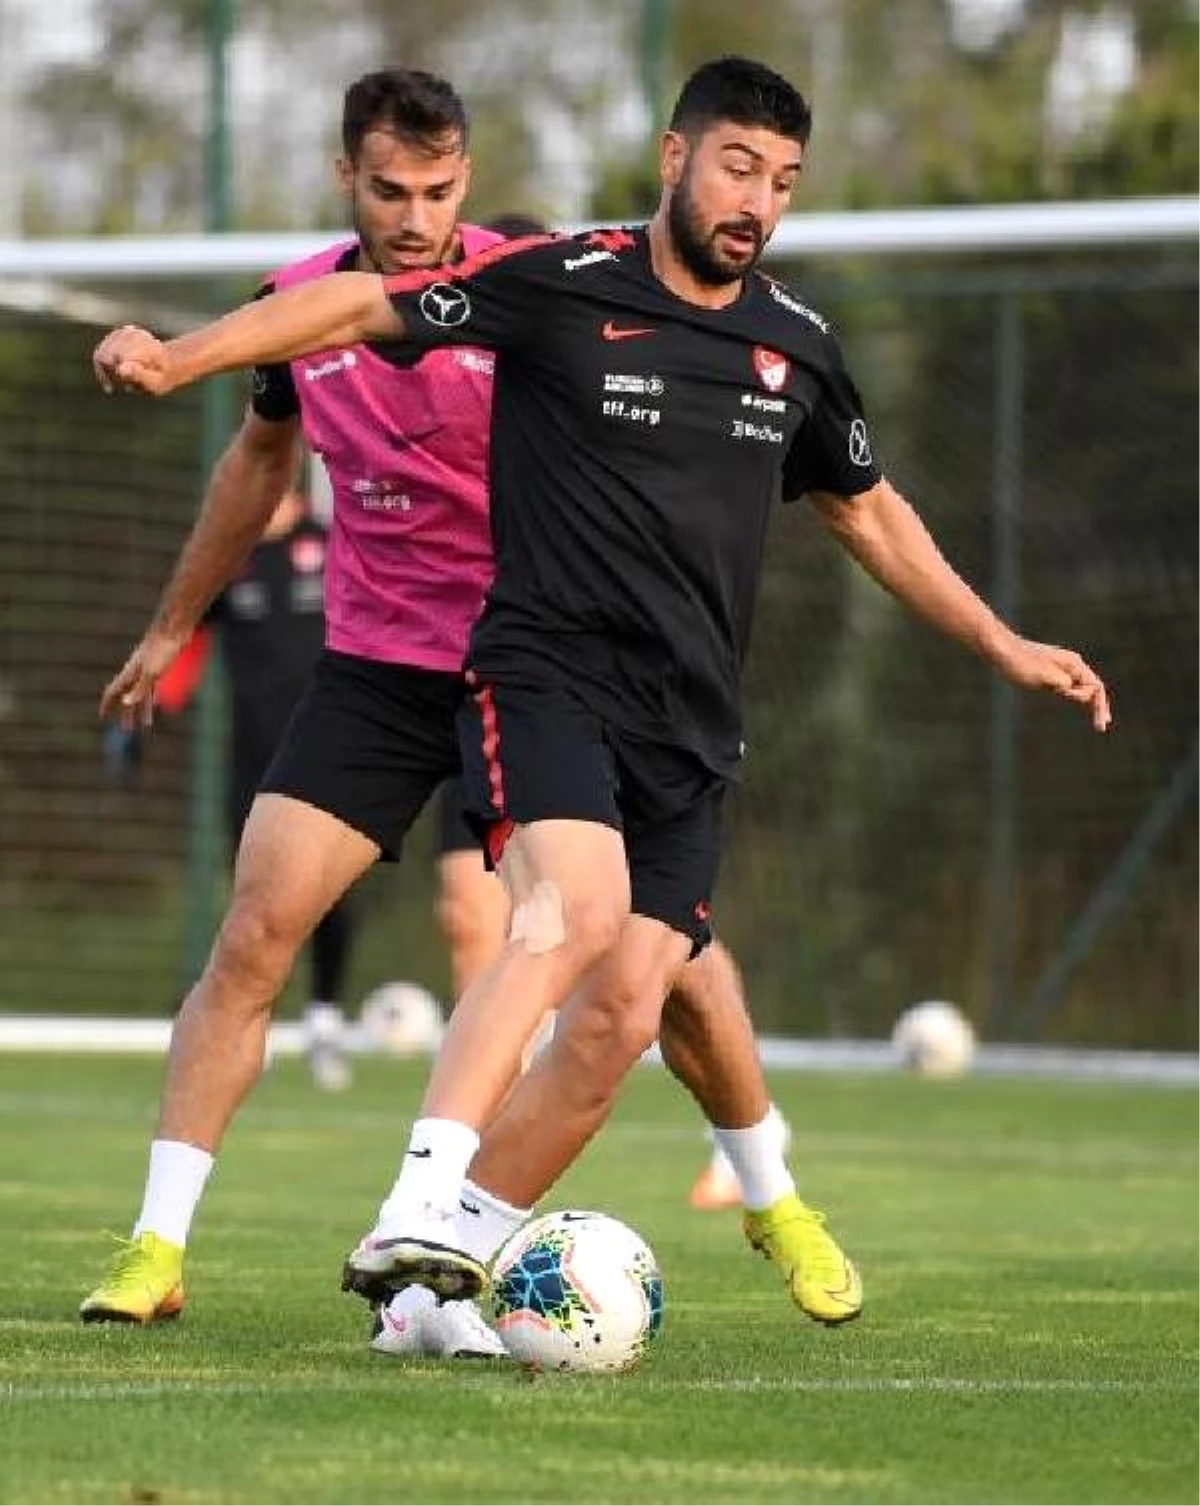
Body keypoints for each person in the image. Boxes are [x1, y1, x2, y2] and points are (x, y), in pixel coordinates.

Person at [93, 52, 1111, 1324]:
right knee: (355, 928)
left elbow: (866, 510)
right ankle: (214, 1238)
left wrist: (1003, 640)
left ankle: (739, 1195)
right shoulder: (461, 293)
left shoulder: (693, 315)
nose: (416, 222)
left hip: (647, 697)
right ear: (345, 177)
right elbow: (297, 396)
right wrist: (180, 389)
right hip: (456, 667)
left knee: (649, 983)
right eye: (392, 193)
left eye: (440, 192)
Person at [148, 488, 359, 1091]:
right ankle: (246, 1026)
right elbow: (186, 635)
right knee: (251, 895)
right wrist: (156, 707)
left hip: (332, 753)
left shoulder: (334, 541)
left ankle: (324, 1018)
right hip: (253, 758)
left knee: (329, 891)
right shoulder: (230, 555)